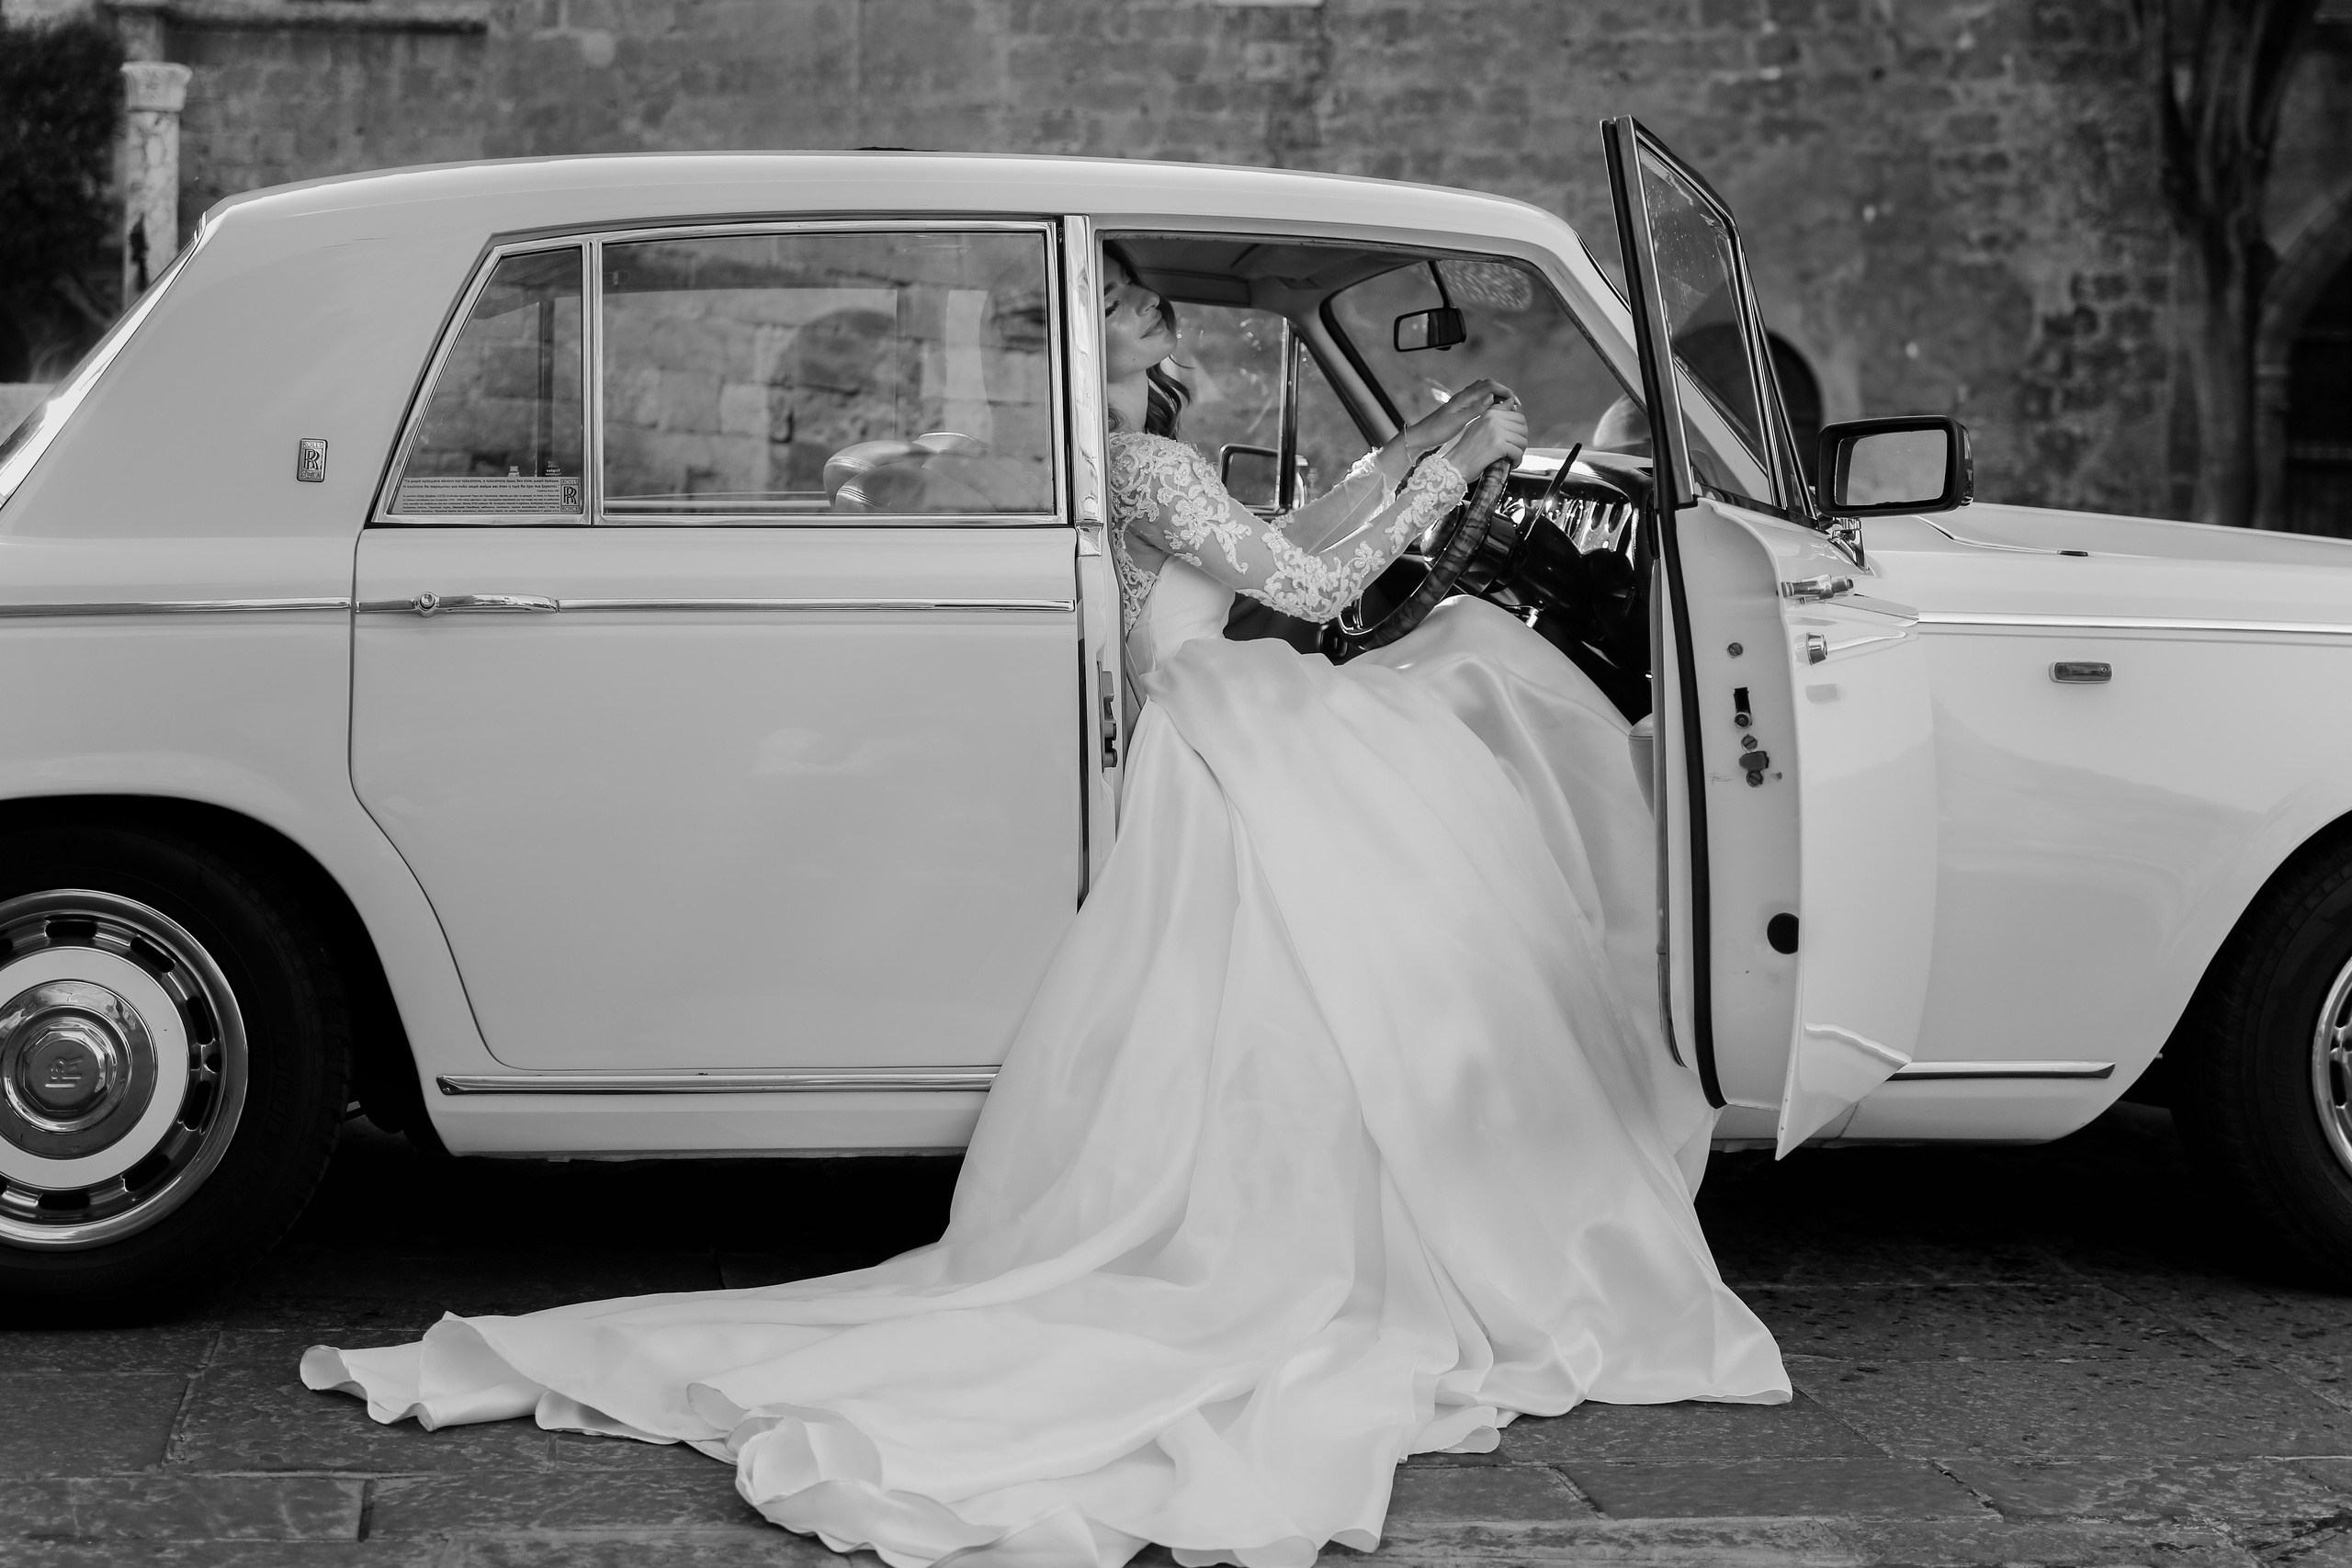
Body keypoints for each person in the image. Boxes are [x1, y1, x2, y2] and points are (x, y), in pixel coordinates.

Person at [300, 248, 1789, 1568]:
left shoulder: (1144, 462)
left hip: (1212, 706)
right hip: (1223, 718)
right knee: (1480, 692)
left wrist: (1412, 451)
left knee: (1452, 702)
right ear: (1101, 331)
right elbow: (1314, 591)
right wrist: (1453, 483)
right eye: (1125, 298)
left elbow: (1278, 540)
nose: (1147, 313)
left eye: (1139, 297)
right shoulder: (1144, 466)